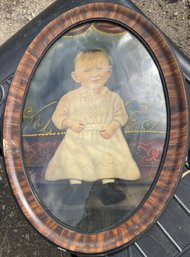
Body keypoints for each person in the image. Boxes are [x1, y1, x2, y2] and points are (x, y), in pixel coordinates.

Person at [45, 49, 140, 205]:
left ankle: (107, 188)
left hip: (105, 135)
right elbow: (58, 117)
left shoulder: (113, 97)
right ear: (76, 76)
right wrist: (70, 123)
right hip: (79, 137)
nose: (94, 74)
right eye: (87, 70)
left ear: (109, 72)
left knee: (106, 159)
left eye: (99, 68)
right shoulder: (70, 98)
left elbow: (121, 115)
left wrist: (112, 126)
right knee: (76, 160)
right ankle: (76, 189)